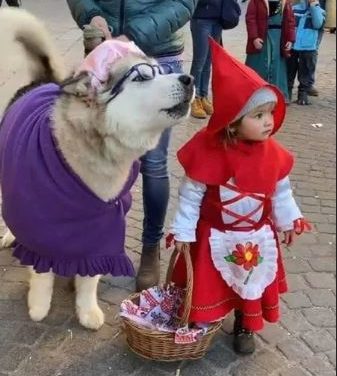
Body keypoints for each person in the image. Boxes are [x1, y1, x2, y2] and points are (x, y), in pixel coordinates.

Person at [169, 41, 310, 355]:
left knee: (249, 281)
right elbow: (191, 195)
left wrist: (289, 221)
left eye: (270, 113)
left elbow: (282, 192)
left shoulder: (273, 154)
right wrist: (182, 230)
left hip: (255, 236)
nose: (268, 121)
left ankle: (245, 323)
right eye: (258, 115)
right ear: (232, 120)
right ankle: (203, 318)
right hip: (213, 234)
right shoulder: (207, 150)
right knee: (211, 281)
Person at [66, 0, 198, 292]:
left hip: (157, 55)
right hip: (105, 55)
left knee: (153, 164)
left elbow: (184, 3)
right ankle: (90, 249)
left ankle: (150, 249)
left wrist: (135, 36)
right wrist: (93, 15)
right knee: (94, 161)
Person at [245, 0, 296, 103]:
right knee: (259, 66)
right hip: (262, 38)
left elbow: (290, 21)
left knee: (277, 66)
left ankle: (277, 95)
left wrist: (290, 39)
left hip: (278, 40)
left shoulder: (285, 2)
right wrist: (254, 37)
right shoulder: (256, 1)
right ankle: (254, 94)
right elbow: (251, 19)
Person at [189, 0, 224, 119]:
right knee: (200, 61)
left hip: (218, 19)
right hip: (201, 18)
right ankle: (194, 98)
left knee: (209, 61)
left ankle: (203, 95)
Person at [287, 0, 325, 105]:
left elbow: (318, 24)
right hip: (293, 46)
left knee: (306, 72)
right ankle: (287, 94)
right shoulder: (295, 9)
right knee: (289, 70)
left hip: (309, 47)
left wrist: (314, 6)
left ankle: (302, 95)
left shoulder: (319, 11)